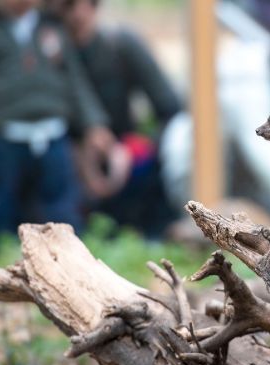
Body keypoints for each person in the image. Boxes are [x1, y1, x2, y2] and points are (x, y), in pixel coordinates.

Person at [0, 0, 111, 245]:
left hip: (53, 136)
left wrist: (94, 123)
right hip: (2, 140)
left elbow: (75, 82)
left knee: (61, 210)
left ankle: (67, 258)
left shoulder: (53, 30)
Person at [59, 0, 183, 238]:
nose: (75, 12)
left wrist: (132, 148)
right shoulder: (50, 52)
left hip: (126, 158)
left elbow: (169, 108)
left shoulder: (120, 45)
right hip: (71, 161)